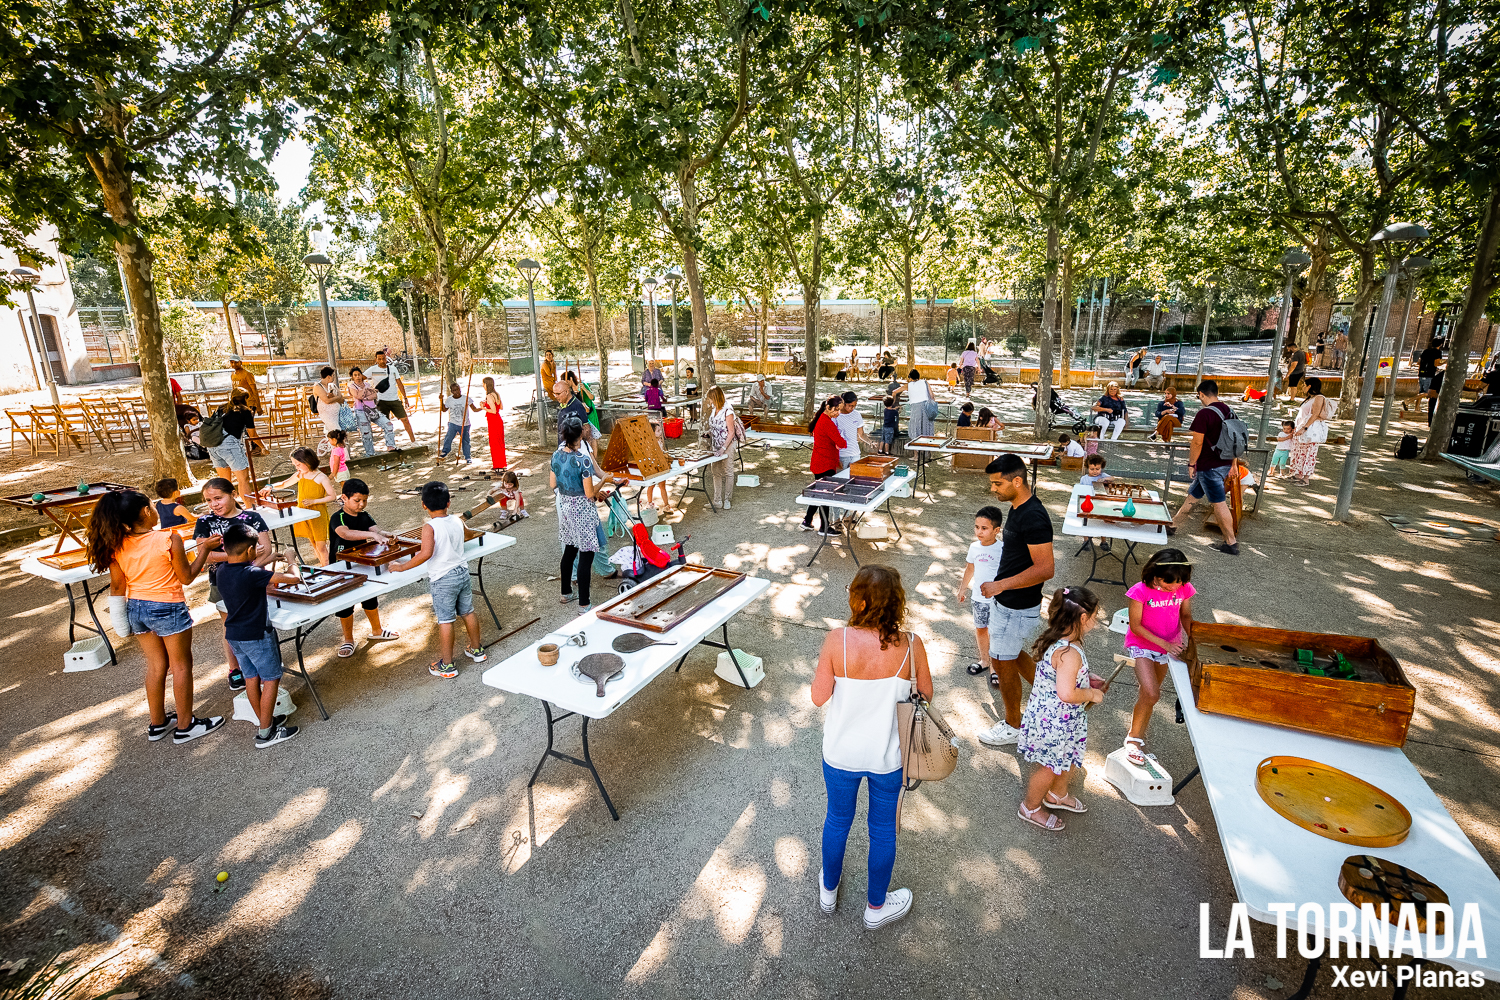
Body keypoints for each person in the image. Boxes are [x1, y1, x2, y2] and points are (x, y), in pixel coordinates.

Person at [810, 565, 930, 930]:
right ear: (897, 603)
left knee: (837, 819)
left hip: (840, 753)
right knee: (882, 829)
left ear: (858, 600)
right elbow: (925, 695)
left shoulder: (836, 640)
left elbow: (818, 698)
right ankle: (876, 908)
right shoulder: (912, 645)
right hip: (888, 758)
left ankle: (828, 890)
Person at [86, 488, 221, 744]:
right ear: (147, 512)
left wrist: (120, 620)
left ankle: (157, 723)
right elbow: (187, 577)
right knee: (181, 665)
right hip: (167, 606)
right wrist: (204, 548)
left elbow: (117, 586)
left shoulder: (117, 543)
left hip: (136, 608)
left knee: (156, 666)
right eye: (153, 505)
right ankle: (185, 725)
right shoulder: (169, 538)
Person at [977, 454, 1054, 742]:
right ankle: (1056, 697)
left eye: (998, 483)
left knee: (1002, 661)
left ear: (1017, 481)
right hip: (1007, 602)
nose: (993, 489)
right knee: (1009, 653)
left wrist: (1001, 586)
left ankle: (1013, 725)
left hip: (1017, 605)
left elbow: (1046, 568)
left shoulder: (1033, 516)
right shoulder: (1017, 507)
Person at [1017, 585, 1106, 831]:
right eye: (1096, 615)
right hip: (1056, 722)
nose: (1096, 620)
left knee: (1066, 758)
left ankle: (1057, 794)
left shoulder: (1061, 641)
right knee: (1048, 767)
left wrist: (1086, 678)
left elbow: (1063, 677)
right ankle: (1030, 806)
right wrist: (1090, 693)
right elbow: (1067, 693)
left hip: (1056, 719)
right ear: (1083, 617)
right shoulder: (1070, 652)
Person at [213, 522, 301, 748]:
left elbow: (248, 569)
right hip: (257, 635)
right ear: (250, 550)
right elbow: (294, 579)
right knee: (271, 678)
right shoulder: (251, 574)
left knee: (251, 678)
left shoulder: (222, 570)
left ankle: (265, 721)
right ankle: (266, 733)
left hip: (235, 635)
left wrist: (269, 559)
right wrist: (291, 560)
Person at [390, 481, 487, 677]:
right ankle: (477, 650)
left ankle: (448, 664)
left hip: (443, 578)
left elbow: (425, 553)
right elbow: (466, 535)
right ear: (449, 503)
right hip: (461, 572)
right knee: (468, 611)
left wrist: (401, 567)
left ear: (423, 505)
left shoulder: (429, 527)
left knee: (446, 620)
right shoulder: (458, 521)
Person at [195, 477, 272, 692]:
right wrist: (238, 560)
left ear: (233, 494)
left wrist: (245, 567)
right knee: (230, 626)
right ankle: (235, 669)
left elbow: (265, 549)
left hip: (254, 580)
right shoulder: (204, 522)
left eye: (218, 498)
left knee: (258, 621)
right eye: (209, 500)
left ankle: (262, 666)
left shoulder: (253, 517)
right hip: (222, 583)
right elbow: (205, 555)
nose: (214, 504)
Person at [1122, 550, 1194, 767]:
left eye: (1180, 581)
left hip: (1169, 647)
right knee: (1152, 693)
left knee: (1148, 695)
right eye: (1170, 582)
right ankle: (1133, 739)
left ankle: (1139, 733)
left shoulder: (1184, 589)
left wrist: (1195, 642)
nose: (1175, 586)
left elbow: (1186, 616)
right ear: (1156, 576)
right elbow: (1135, 626)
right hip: (1142, 645)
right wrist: (1166, 645)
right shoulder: (1139, 592)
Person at [328, 478, 401, 657]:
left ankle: (377, 630)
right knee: (345, 604)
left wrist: (386, 534)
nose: (361, 504)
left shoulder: (365, 515)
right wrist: (371, 535)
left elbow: (376, 530)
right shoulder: (338, 517)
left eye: (365, 500)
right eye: (357, 500)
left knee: (369, 597)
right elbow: (345, 533)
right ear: (344, 498)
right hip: (341, 567)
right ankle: (348, 639)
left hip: (363, 564)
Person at [1167, 379, 1240, 554]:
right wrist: (1234, 464)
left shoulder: (1204, 414)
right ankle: (1172, 526)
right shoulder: (1229, 411)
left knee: (1219, 503)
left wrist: (1192, 464)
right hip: (1224, 462)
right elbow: (1236, 440)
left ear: (1201, 394)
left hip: (1209, 466)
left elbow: (1197, 443)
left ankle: (1231, 543)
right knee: (1193, 496)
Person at [550, 416, 601, 610]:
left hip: (565, 506)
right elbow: (590, 493)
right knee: (586, 555)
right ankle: (584, 603)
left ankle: (565, 593)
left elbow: (552, 484)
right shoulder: (583, 460)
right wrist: (604, 482)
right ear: (581, 434)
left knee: (570, 549)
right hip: (582, 509)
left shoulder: (556, 456)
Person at [957, 507, 1004, 680]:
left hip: (998, 600)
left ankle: (995, 667)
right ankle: (984, 660)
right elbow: (970, 568)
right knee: (981, 629)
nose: (979, 531)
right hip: (978, 598)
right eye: (977, 527)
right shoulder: (974, 547)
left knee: (996, 632)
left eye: (984, 528)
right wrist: (963, 588)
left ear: (996, 530)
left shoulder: (1003, 549)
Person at [274, 447, 339, 565]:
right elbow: (284, 484)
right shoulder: (300, 475)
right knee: (313, 543)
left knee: (321, 546)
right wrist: (270, 486)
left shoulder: (321, 477)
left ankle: (329, 567)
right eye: (295, 465)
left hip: (317, 515)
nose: (296, 467)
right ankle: (323, 566)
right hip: (304, 514)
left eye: (298, 464)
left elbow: (332, 496)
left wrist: (314, 501)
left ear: (307, 462)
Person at [800, 396, 845, 536]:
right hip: (825, 463)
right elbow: (842, 443)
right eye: (836, 410)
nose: (838, 413)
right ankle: (824, 527)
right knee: (824, 496)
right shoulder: (827, 423)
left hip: (821, 461)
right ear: (828, 408)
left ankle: (807, 521)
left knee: (819, 493)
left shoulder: (821, 418)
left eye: (840, 410)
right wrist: (840, 442)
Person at [206, 388, 261, 499]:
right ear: (245, 398)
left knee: (225, 483)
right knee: (243, 479)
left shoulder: (221, 408)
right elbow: (252, 435)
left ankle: (227, 510)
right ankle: (249, 509)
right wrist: (263, 447)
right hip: (229, 445)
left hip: (213, 444)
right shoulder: (245, 411)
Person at [1288, 376, 1334, 486]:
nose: (1303, 387)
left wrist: (1305, 428)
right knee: (1299, 452)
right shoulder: (1309, 398)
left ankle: (1305, 478)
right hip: (1301, 427)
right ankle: (1298, 474)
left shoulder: (1319, 397)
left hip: (1310, 430)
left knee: (1309, 453)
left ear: (1309, 386)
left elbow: (1315, 414)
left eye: (1304, 385)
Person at [366, 349, 417, 444]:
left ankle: (413, 441)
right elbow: (360, 378)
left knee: (405, 420)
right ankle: (390, 444)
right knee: (386, 424)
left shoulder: (393, 369)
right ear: (376, 359)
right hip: (381, 401)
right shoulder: (372, 370)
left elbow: (399, 383)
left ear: (386, 358)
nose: (382, 361)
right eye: (379, 359)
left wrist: (405, 398)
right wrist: (367, 390)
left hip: (394, 400)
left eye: (383, 358)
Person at [704, 386, 742, 511]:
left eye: (711, 398)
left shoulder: (728, 410)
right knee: (716, 472)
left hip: (728, 445)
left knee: (728, 471)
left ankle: (727, 499)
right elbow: (716, 427)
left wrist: (723, 448)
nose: (710, 401)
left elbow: (730, 432)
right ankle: (717, 500)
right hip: (716, 445)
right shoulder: (714, 409)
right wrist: (708, 433)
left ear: (715, 398)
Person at [347, 366, 397, 457]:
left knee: (388, 424)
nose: (358, 377)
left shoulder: (367, 384)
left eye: (359, 374)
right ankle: (370, 452)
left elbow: (374, 395)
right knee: (366, 433)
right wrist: (365, 391)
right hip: (361, 410)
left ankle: (391, 446)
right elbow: (358, 396)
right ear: (352, 377)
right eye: (355, 375)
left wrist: (365, 394)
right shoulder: (352, 386)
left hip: (372, 409)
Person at [439, 381, 481, 464]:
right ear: (452, 392)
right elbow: (444, 410)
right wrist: (441, 400)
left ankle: (468, 456)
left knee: (466, 441)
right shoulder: (450, 399)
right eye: (454, 390)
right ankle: (445, 451)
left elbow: (474, 409)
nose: (457, 392)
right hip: (453, 423)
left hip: (464, 424)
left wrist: (484, 408)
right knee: (448, 437)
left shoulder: (466, 398)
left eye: (458, 389)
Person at [834, 390, 873, 471]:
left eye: (854, 406)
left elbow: (861, 434)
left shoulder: (857, 415)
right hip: (842, 454)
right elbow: (832, 438)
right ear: (843, 403)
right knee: (841, 479)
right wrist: (835, 458)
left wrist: (870, 442)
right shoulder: (836, 416)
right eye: (850, 405)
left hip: (855, 454)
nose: (852, 408)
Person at [478, 376, 507, 470]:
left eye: (484, 383)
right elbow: (500, 407)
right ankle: (502, 463)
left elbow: (493, 411)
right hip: (498, 420)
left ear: (486, 384)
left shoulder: (489, 395)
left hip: (493, 421)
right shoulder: (496, 394)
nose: (483, 385)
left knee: (494, 443)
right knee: (500, 442)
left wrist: (484, 408)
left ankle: (497, 464)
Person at [312, 366, 346, 437]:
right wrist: (337, 398)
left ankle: (332, 447)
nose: (334, 377)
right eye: (333, 375)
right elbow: (327, 400)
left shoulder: (333, 386)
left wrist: (334, 397)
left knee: (331, 432)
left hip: (336, 414)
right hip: (326, 414)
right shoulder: (318, 386)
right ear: (328, 376)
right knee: (336, 431)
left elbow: (342, 399)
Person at [905, 369, 937, 440]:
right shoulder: (925, 382)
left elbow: (894, 392)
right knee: (927, 429)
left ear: (910, 377)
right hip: (926, 408)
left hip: (915, 409)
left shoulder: (908, 385)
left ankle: (916, 449)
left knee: (915, 429)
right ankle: (927, 449)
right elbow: (932, 396)